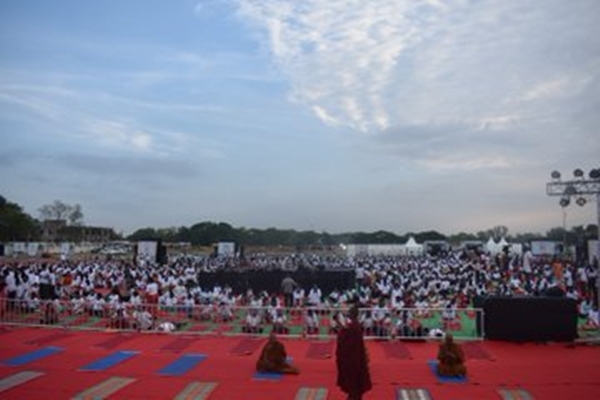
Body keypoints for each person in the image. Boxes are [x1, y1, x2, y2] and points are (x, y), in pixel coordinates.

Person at [336, 304, 372, 400]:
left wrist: (341, 329)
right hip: (357, 356)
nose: (348, 315)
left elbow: (344, 339)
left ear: (352, 314)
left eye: (349, 313)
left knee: (353, 381)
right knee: (355, 380)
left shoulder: (353, 327)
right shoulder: (355, 325)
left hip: (353, 359)